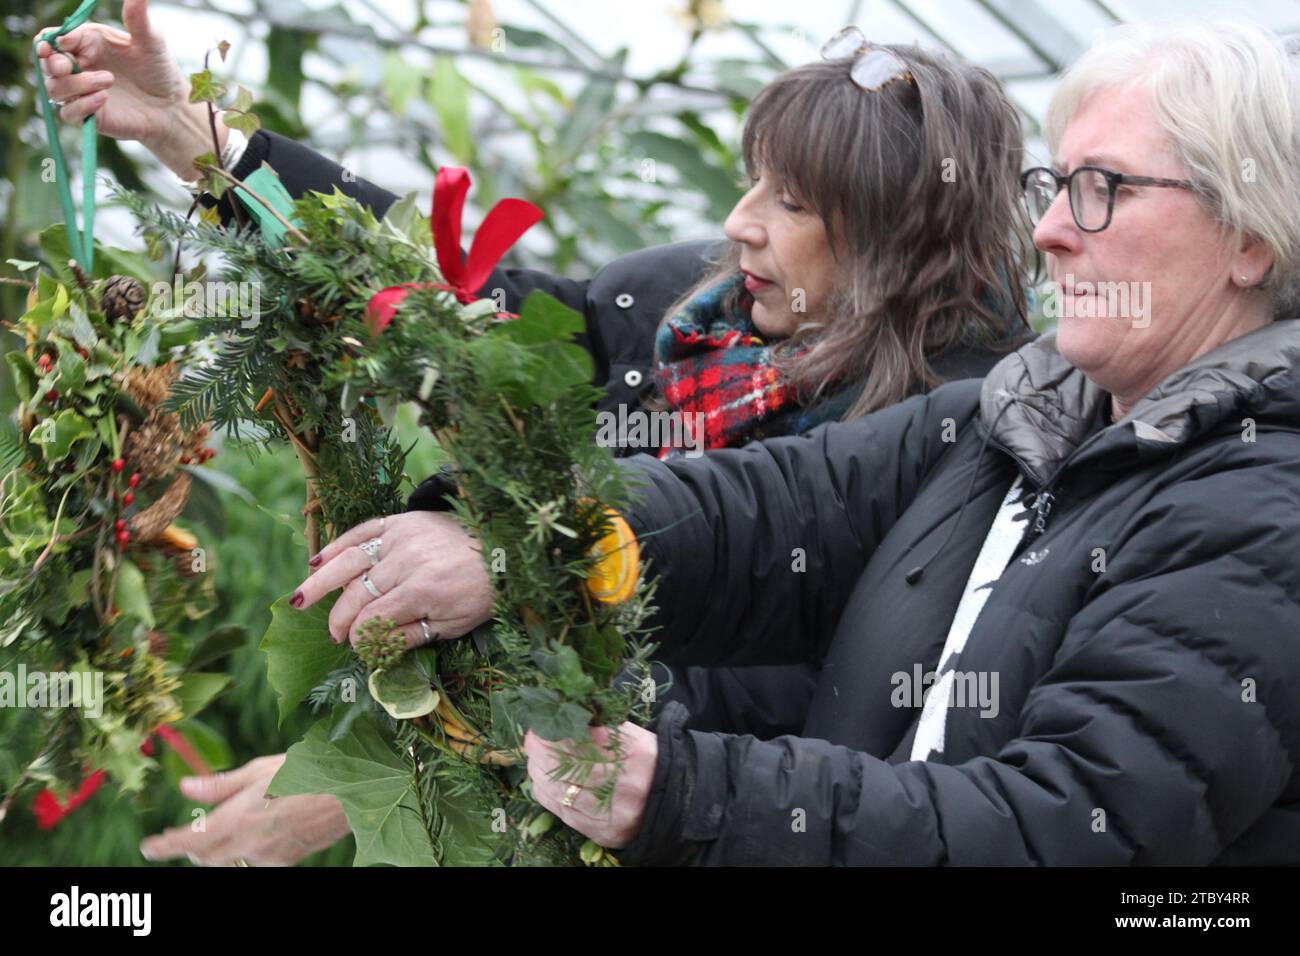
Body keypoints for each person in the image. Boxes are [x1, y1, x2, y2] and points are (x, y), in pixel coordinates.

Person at [37, 3, 1036, 864]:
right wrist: (205, 143)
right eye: (751, 180)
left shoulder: (954, 449)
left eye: (791, 200)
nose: (740, 221)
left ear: (891, 236)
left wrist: (364, 779)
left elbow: (735, 707)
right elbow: (453, 301)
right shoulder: (700, 314)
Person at [297, 19, 1300, 864]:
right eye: (1055, 185)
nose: (1048, 233)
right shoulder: (1027, 412)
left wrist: (688, 794)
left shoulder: (1261, 505)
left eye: (1105, 188)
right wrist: (512, 541)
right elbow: (767, 507)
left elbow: (1061, 824)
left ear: (1249, 234)